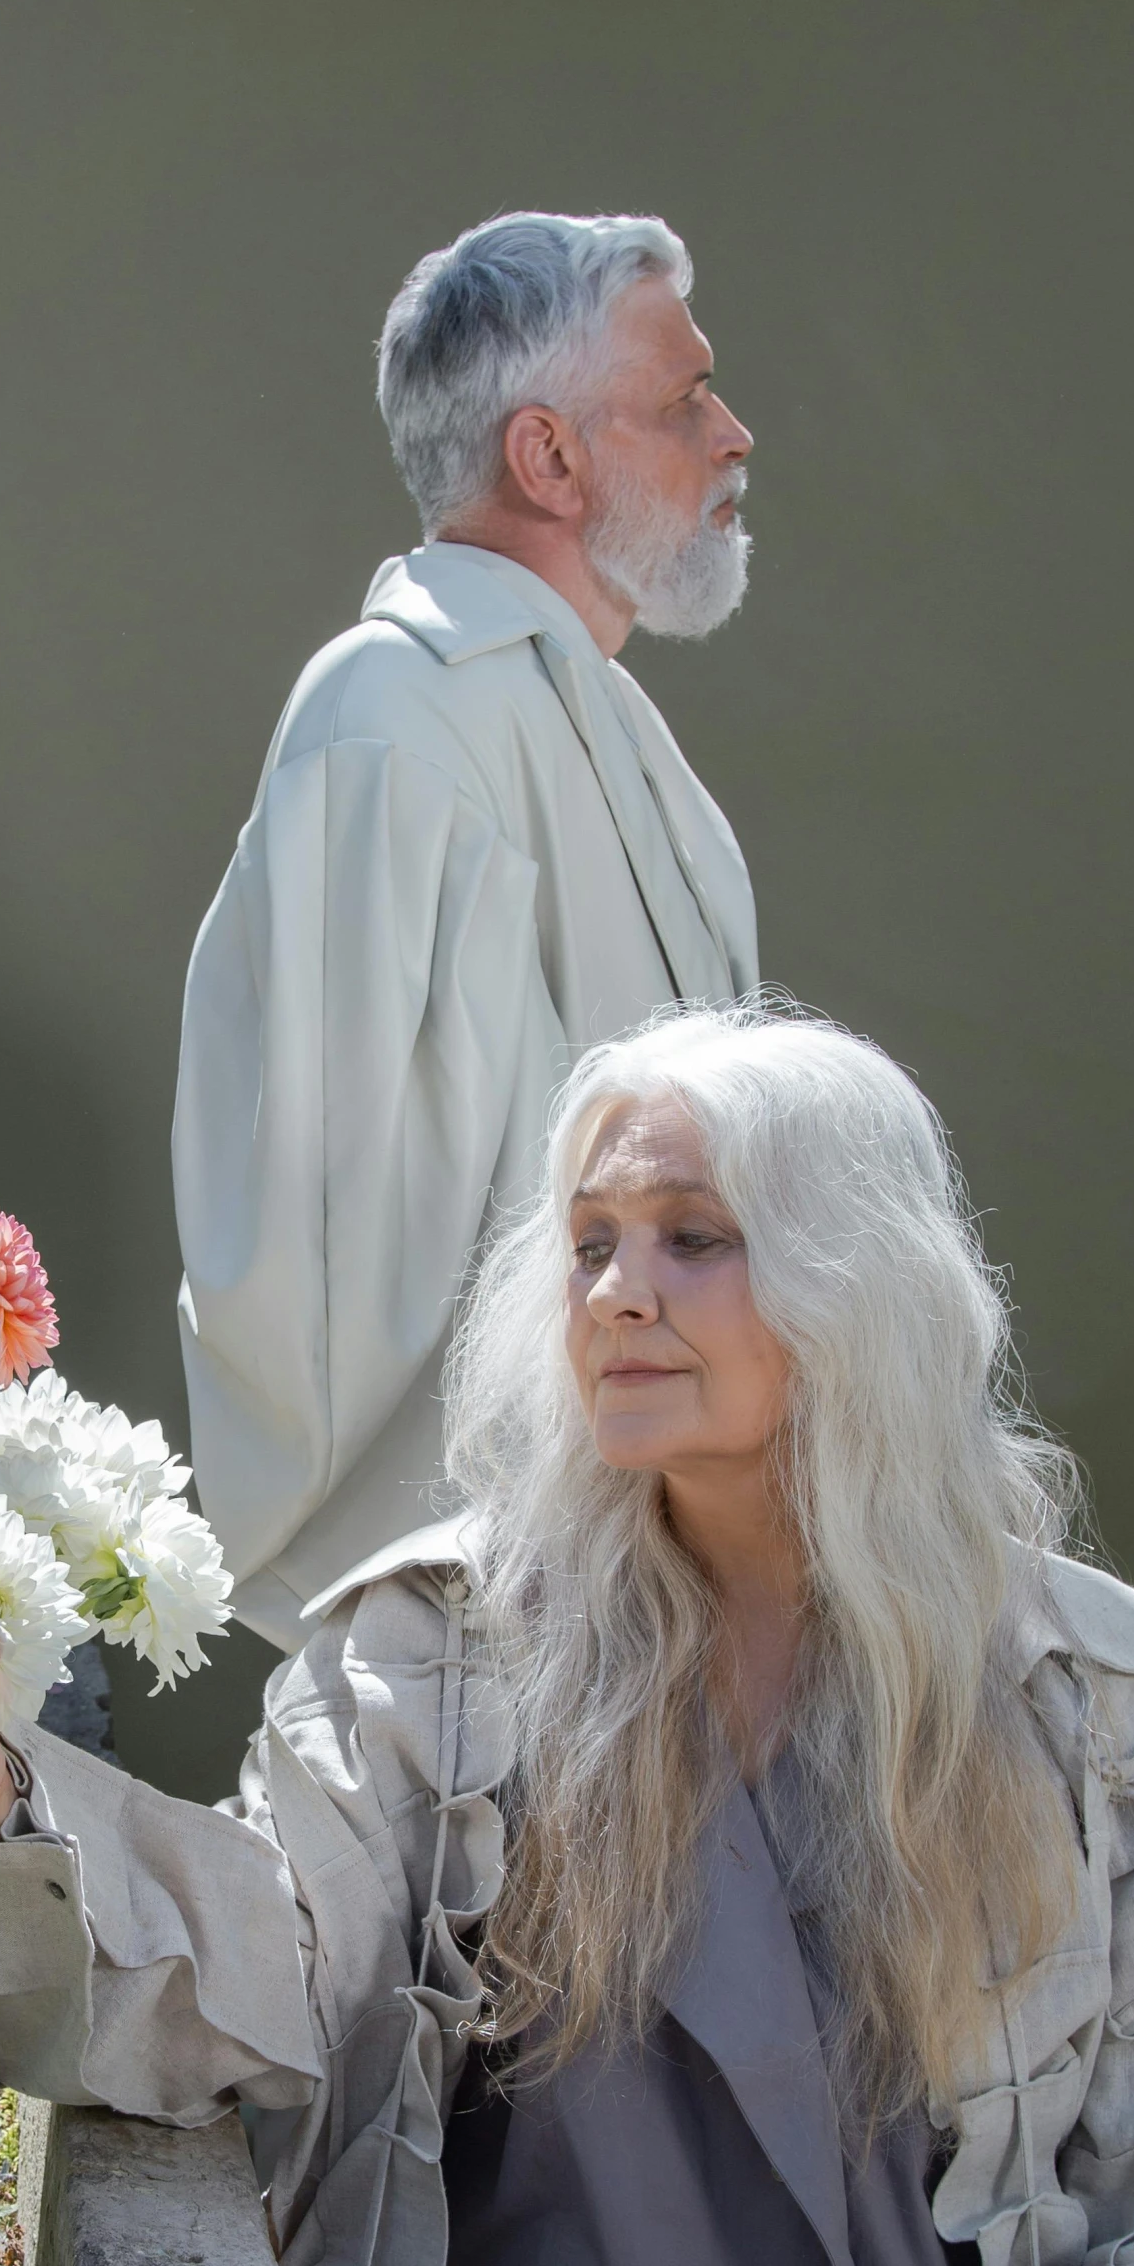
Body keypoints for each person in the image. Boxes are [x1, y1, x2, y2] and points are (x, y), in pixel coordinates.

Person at [0, 1005, 1134, 2266]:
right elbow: (279, 1956)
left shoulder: (1082, 1697)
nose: (619, 1291)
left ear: (856, 1277)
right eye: (589, 1242)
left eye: (693, 1235)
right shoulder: (440, 1645)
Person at [174, 209, 759, 1649]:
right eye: (682, 399)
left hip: (653, 1585)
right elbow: (341, 1237)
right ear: (546, 456)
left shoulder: (584, 707)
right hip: (511, 1630)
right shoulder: (391, 717)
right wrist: (466, 1619)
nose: (731, 433)